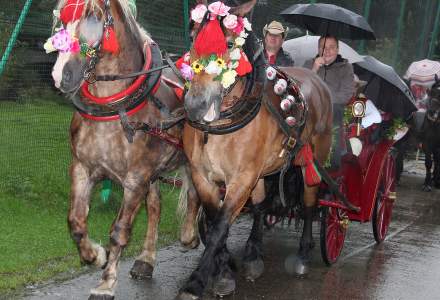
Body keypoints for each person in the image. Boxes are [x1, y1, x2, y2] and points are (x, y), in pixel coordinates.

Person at [304, 35, 355, 169]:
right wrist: (314, 69)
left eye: (331, 48)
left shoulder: (345, 67)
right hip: (309, 110)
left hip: (332, 110)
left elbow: (346, 94)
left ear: (337, 50)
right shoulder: (309, 64)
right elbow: (302, 89)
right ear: (318, 49)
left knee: (335, 113)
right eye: (323, 47)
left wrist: (324, 99)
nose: (327, 51)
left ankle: (331, 158)